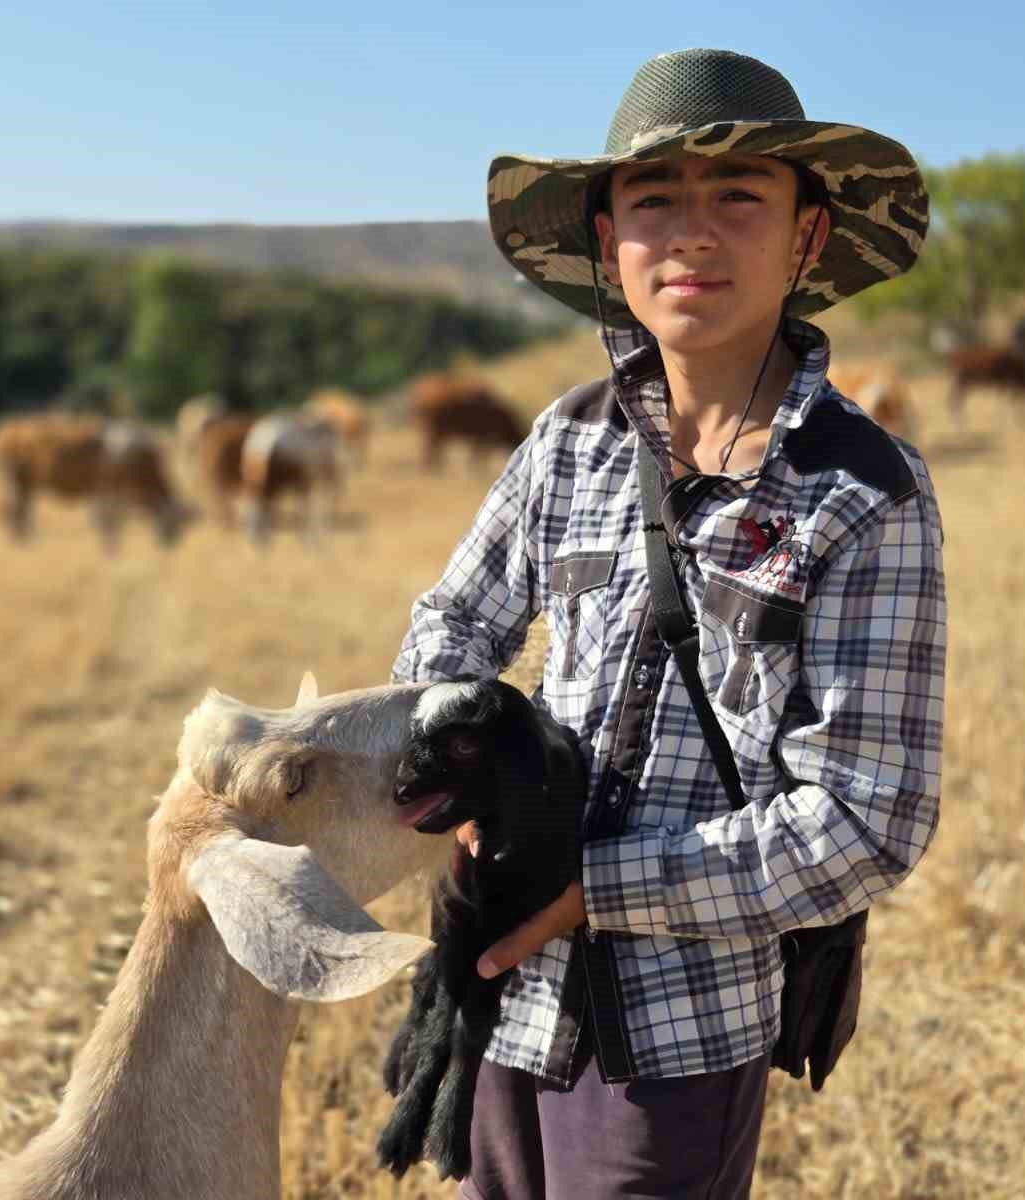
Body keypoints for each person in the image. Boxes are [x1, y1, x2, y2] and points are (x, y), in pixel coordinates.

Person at [392, 48, 946, 1199]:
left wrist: (593, 889)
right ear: (608, 244)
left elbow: (867, 818)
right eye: (653, 202)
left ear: (804, 237)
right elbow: (451, 625)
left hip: (678, 1033)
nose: (692, 236)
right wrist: (459, 760)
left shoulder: (863, 490)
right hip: (501, 993)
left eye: (739, 197)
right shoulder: (568, 441)